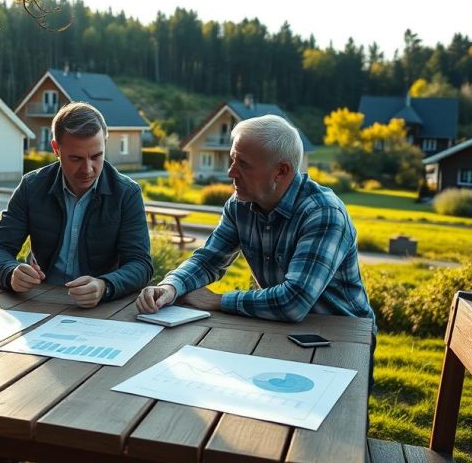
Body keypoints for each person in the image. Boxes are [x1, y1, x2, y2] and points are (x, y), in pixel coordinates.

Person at [135, 114, 375, 333]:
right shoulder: (240, 204)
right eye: (232, 160)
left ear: (281, 171)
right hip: (282, 329)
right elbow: (208, 261)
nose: (231, 173)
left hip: (345, 334)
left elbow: (293, 302)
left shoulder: (323, 213)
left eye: (243, 164)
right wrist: (170, 287)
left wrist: (217, 300)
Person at [0, 102, 153, 307]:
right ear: (56, 148)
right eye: (76, 158)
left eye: (96, 156)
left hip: (100, 308)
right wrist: (10, 272)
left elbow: (141, 265)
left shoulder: (126, 193)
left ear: (105, 144)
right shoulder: (32, 186)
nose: (88, 169)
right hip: (37, 300)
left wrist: (105, 285)